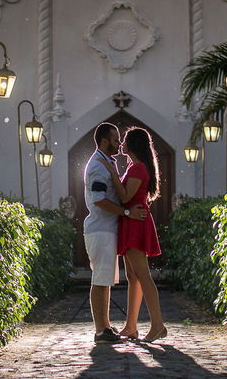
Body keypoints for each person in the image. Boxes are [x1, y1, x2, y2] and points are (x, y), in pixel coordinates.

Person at [100, 126, 167, 343]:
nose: (121, 144)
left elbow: (126, 196)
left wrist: (112, 173)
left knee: (143, 275)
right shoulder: (134, 166)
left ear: (133, 144)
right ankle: (131, 327)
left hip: (135, 222)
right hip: (131, 221)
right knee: (132, 276)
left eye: (125, 140)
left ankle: (158, 325)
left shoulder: (138, 168)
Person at [83, 121, 147, 344]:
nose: (120, 143)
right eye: (115, 139)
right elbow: (99, 200)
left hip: (107, 230)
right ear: (104, 141)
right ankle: (101, 330)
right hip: (101, 229)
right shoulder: (98, 166)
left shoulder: (106, 162)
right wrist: (126, 211)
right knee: (100, 279)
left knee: (104, 279)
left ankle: (106, 327)